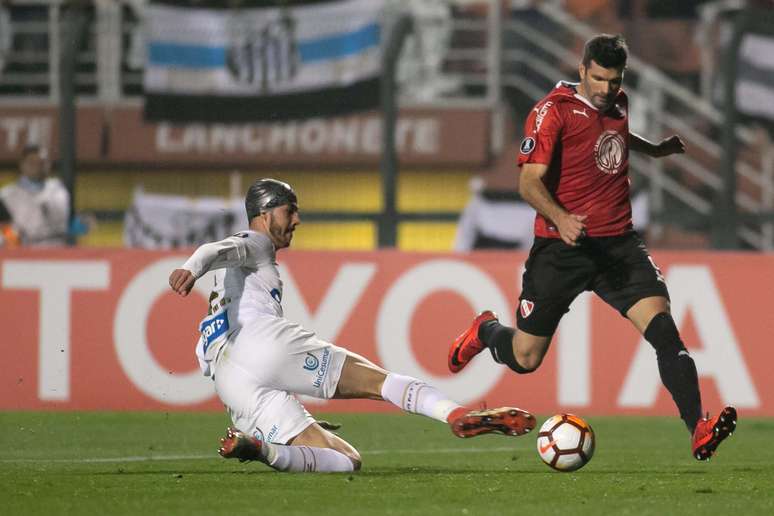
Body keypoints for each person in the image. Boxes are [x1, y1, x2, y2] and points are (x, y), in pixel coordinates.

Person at [447, 34, 736, 461]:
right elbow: (528, 182)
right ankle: (486, 331)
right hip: (562, 249)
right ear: (582, 70)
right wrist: (561, 218)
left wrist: (652, 150)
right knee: (526, 358)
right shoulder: (551, 112)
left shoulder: (617, 102)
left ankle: (698, 427)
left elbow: (611, 133)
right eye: (598, 79)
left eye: (614, 81)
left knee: (664, 331)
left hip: (619, 246)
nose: (605, 89)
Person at [169, 178, 535, 473]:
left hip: (229, 382)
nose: (296, 220)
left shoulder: (227, 284)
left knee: (347, 460)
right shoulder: (257, 242)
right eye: (289, 211)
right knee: (381, 382)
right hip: (260, 342)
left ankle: (263, 451)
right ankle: (455, 414)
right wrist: (191, 268)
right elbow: (213, 249)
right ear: (264, 214)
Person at [0, 144, 70, 246]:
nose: (38, 166)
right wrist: (13, 240)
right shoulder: (6, 195)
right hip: (26, 252)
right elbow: (4, 228)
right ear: (22, 164)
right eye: (32, 162)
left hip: (59, 251)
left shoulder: (59, 189)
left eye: (42, 162)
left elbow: (67, 221)